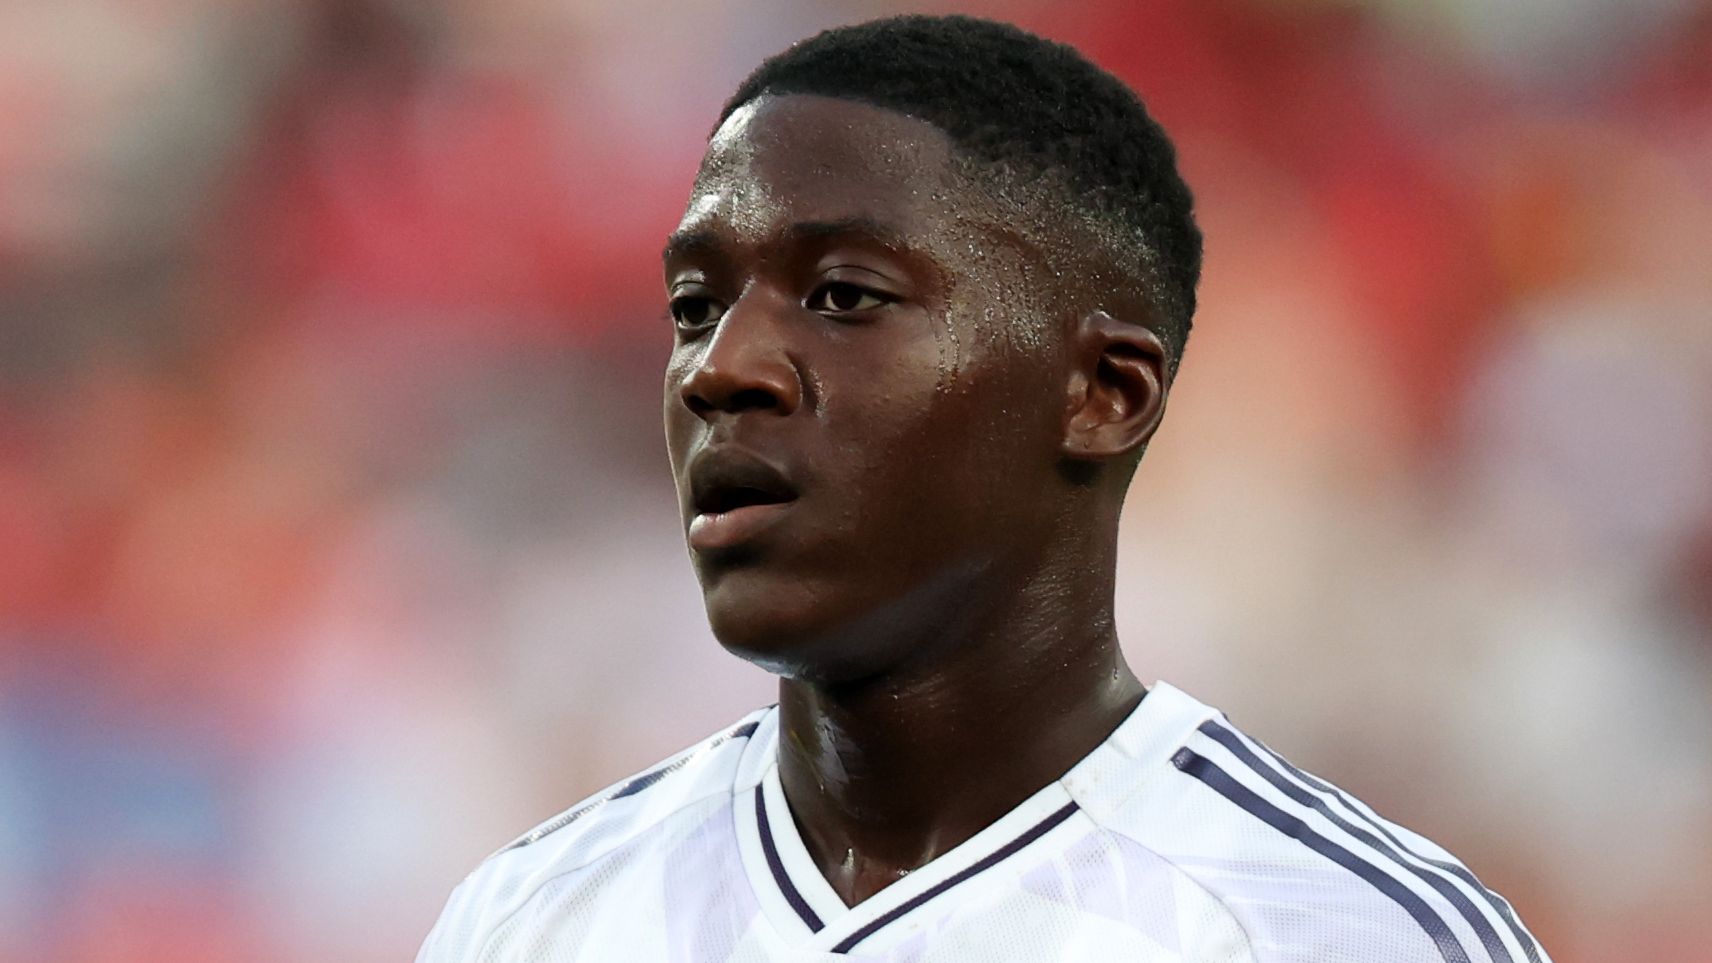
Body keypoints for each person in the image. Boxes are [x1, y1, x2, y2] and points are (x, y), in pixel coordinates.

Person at [419, 15, 1551, 962]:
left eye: (845, 295)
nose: (720, 368)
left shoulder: (1337, 931)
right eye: (694, 307)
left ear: (1103, 392)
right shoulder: (526, 921)